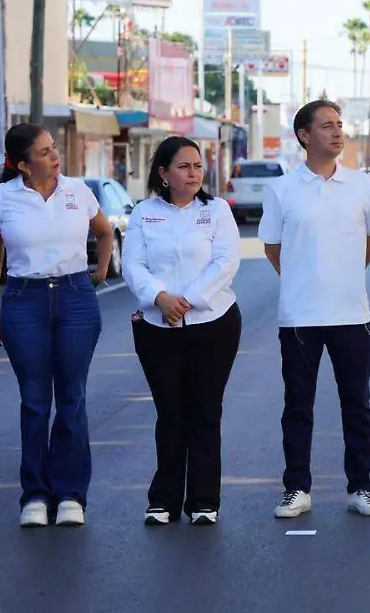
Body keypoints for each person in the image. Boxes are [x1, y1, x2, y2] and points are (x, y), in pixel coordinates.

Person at [259, 100, 370, 519]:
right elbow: (273, 247)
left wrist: (342, 275)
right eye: (327, 126)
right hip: (299, 318)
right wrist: (303, 278)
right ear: (304, 136)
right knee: (298, 406)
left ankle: (361, 488)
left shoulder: (361, 185)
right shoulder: (281, 189)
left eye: (340, 125)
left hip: (352, 315)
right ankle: (296, 488)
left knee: (358, 405)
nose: (338, 132)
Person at [0, 123, 114, 528]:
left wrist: (98, 275)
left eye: (54, 148)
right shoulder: (3, 198)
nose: (55, 156)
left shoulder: (77, 191)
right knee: (35, 402)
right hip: (25, 300)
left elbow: (105, 232)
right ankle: (35, 494)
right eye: (44, 151)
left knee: (72, 398)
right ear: (23, 164)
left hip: (75, 298)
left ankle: (72, 494)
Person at [123, 136, 242, 527]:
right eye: (183, 167)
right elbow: (133, 265)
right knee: (170, 414)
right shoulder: (144, 213)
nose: (193, 174)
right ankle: (164, 500)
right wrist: (159, 298)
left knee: (205, 412)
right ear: (163, 172)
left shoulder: (217, 210)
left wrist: (187, 300)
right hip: (158, 327)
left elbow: (225, 261)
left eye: (197, 166)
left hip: (213, 323)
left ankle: (205, 500)